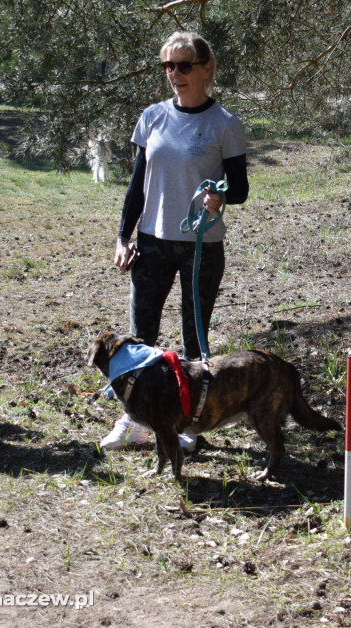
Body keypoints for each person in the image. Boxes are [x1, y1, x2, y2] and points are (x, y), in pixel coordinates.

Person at [100, 30, 249, 450]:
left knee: (193, 342)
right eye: (168, 66)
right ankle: (134, 421)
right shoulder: (152, 117)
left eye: (184, 65)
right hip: (151, 243)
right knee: (139, 341)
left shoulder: (225, 124)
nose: (174, 74)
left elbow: (239, 188)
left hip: (201, 247)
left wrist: (219, 197)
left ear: (206, 69)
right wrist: (122, 236)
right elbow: (136, 187)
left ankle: (187, 424)